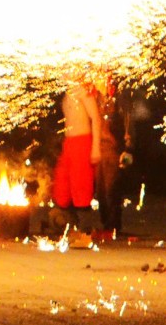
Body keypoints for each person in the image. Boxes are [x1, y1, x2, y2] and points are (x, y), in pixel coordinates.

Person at [52, 77, 107, 234]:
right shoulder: (68, 93)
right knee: (62, 181)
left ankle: (85, 228)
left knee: (81, 183)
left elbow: (96, 118)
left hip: (82, 142)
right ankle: (66, 223)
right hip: (69, 142)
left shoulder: (84, 91)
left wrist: (95, 147)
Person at [93, 73, 135, 241]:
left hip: (114, 149)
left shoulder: (120, 98)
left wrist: (128, 149)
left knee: (112, 189)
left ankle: (113, 226)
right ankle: (106, 225)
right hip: (100, 149)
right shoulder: (98, 98)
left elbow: (128, 123)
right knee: (101, 191)